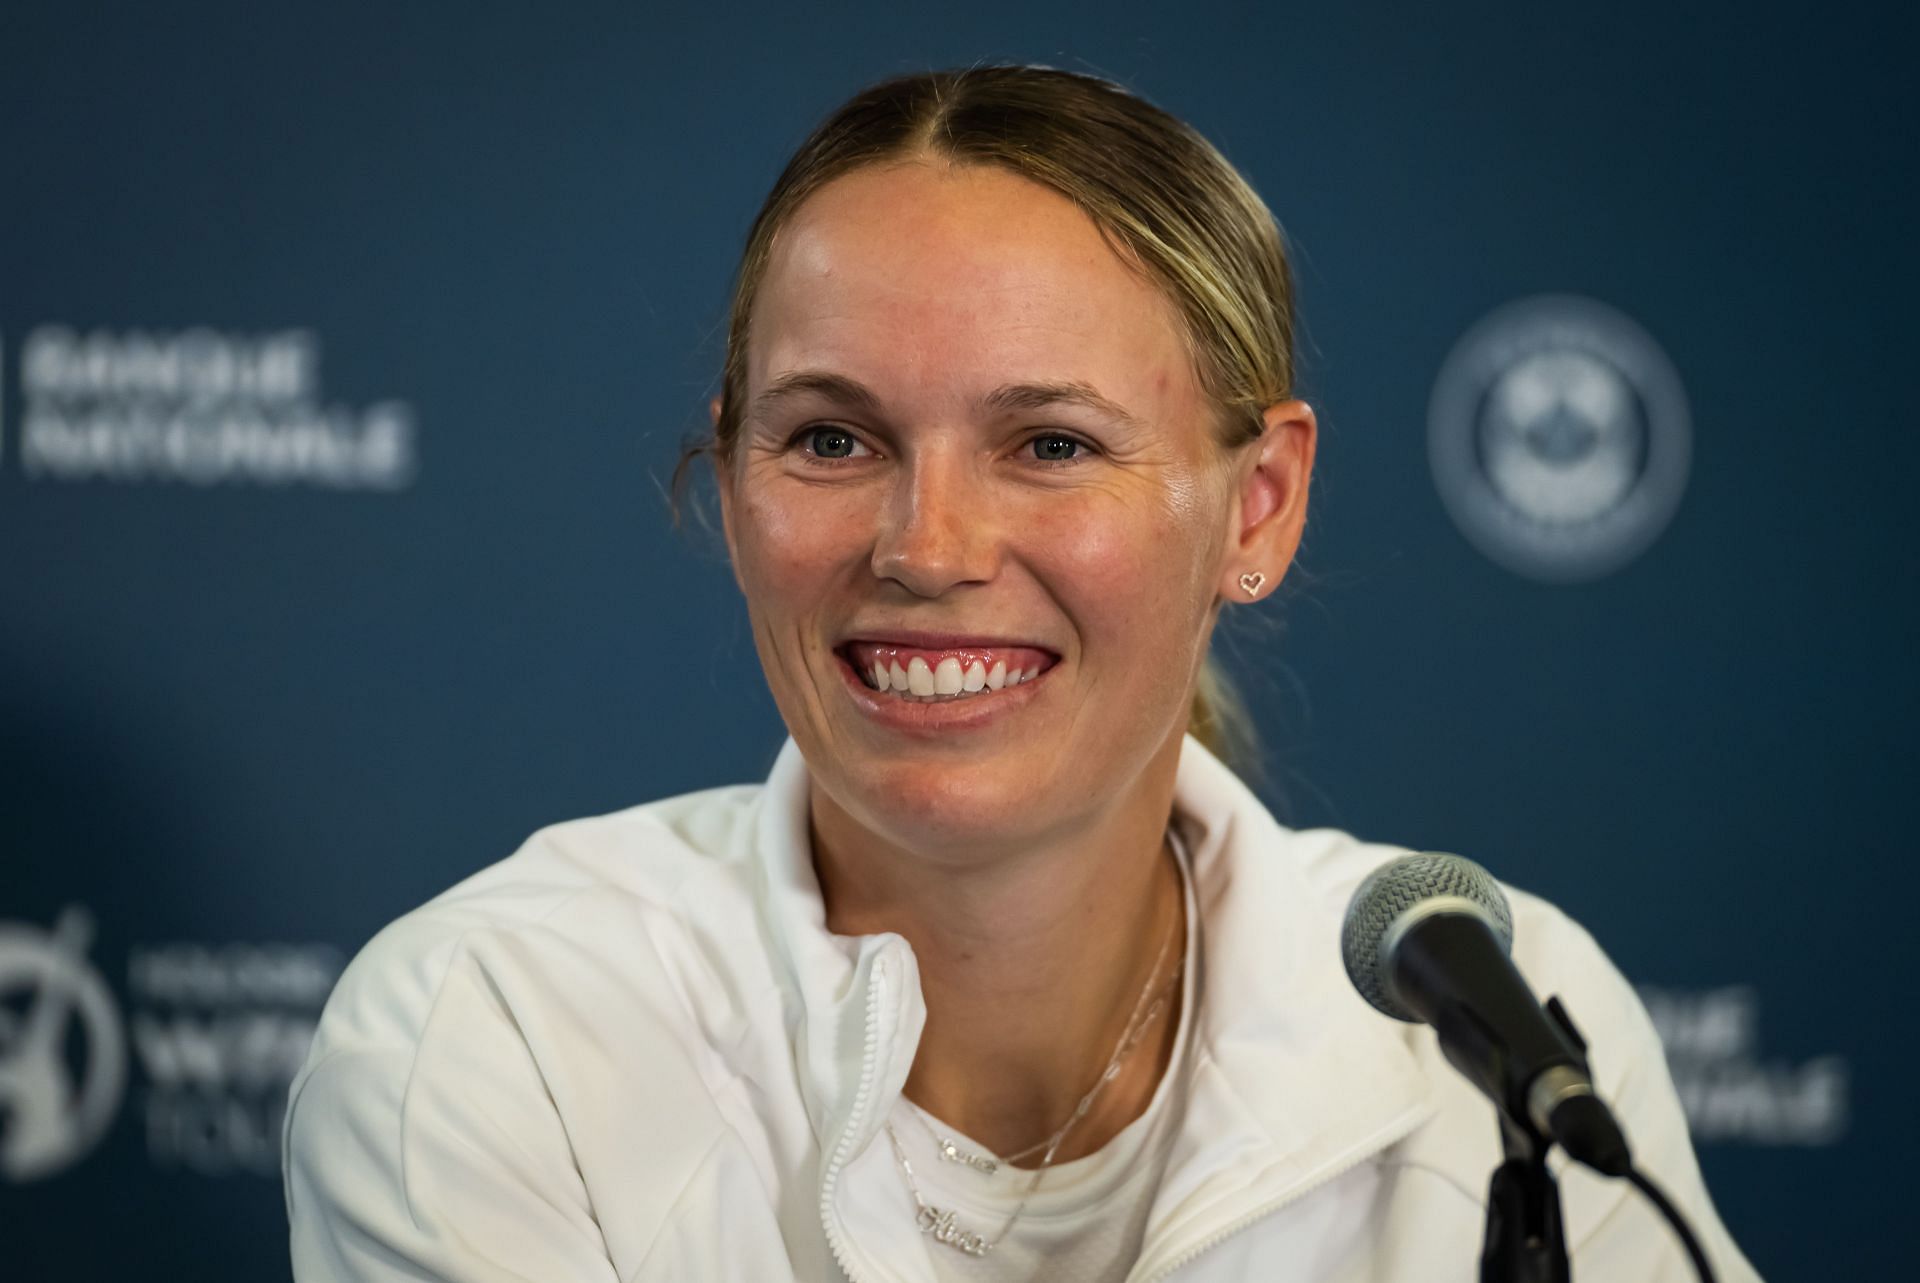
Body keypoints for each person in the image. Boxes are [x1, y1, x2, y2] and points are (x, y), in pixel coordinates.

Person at [283, 65, 1759, 1282]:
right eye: (832, 439)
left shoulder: (1504, 1030)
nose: (927, 546)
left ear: (1258, 507)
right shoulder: (496, 1035)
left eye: (1050, 444)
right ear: (732, 487)